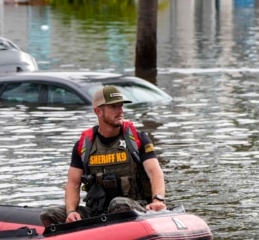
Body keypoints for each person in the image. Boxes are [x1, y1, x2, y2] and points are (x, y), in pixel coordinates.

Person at [39, 85, 167, 226]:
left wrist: (158, 201)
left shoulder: (138, 139)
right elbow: (73, 184)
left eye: (121, 106)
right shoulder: (84, 145)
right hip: (96, 212)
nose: (120, 111)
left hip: (134, 207)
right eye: (114, 107)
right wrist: (71, 212)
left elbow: (154, 172)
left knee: (118, 204)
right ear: (98, 111)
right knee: (49, 214)